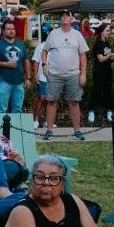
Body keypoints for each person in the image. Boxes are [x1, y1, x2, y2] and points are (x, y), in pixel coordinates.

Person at [41, 9, 88, 140]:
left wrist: (83, 74)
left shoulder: (77, 35)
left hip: (73, 74)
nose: (65, 17)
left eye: (67, 15)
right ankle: (49, 131)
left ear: (71, 19)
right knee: (51, 102)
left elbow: (83, 55)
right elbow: (44, 51)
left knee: (74, 102)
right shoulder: (53, 34)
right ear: (60, 19)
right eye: (62, 16)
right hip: (54, 74)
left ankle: (77, 131)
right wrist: (45, 65)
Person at [0, 17, 29, 118]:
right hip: (2, 80)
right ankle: (0, 134)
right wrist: (5, 64)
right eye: (8, 29)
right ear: (3, 31)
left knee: (17, 109)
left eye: (13, 29)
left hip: (19, 82)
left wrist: (28, 78)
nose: (11, 31)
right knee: (1, 109)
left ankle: (14, 134)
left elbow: (26, 61)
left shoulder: (20, 44)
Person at [88, 22, 114, 124]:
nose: (109, 32)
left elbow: (107, 56)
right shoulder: (98, 44)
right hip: (99, 72)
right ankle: (91, 111)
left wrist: (112, 57)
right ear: (101, 32)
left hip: (108, 71)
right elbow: (101, 59)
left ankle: (109, 111)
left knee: (108, 91)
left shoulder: (107, 43)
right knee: (97, 91)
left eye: (109, 31)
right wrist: (110, 55)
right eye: (107, 31)